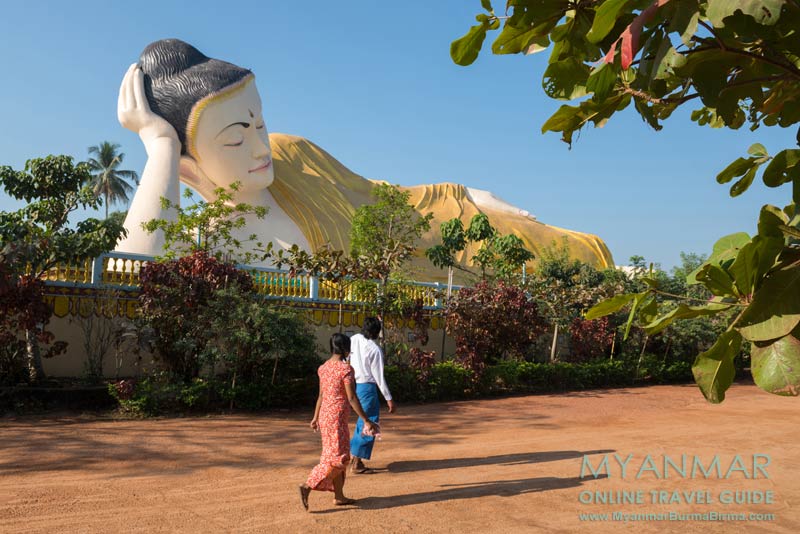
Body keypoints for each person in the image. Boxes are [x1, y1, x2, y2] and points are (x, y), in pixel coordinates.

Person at [299, 333, 377, 511]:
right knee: (340, 458)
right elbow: (351, 397)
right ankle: (308, 485)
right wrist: (366, 420)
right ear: (345, 349)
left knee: (331, 455)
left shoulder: (323, 368)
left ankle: (339, 496)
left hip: (326, 416)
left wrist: (315, 417)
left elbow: (321, 395)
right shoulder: (346, 370)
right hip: (337, 419)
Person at [349, 317, 396, 474]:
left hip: (354, 385)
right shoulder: (374, 349)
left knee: (362, 421)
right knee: (369, 423)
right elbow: (379, 377)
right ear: (377, 332)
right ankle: (357, 462)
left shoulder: (353, 339)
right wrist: (388, 398)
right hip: (368, 388)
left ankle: (355, 457)